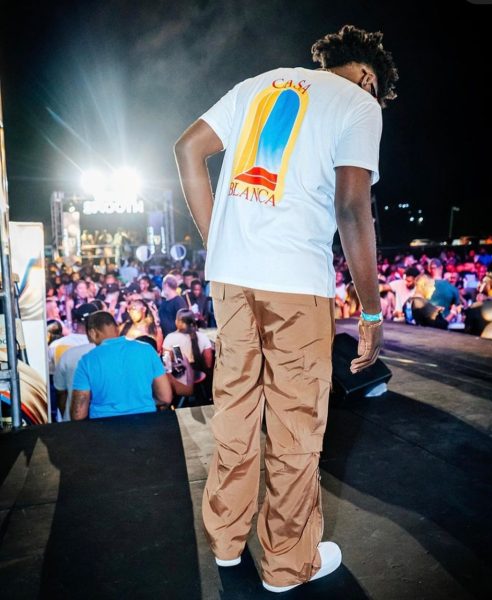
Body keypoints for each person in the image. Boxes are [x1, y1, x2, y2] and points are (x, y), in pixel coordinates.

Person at [174, 23, 397, 592]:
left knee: (235, 412)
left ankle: (227, 544)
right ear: (368, 77)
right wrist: (371, 312)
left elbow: (188, 150)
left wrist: (217, 241)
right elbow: (352, 209)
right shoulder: (359, 104)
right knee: (295, 426)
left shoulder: (260, 83)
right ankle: (287, 565)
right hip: (295, 283)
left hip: (231, 279)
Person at [70, 311, 172, 420]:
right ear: (117, 329)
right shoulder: (147, 350)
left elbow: (78, 413)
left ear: (92, 333)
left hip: (104, 426)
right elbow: (166, 397)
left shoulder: (87, 361)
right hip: (145, 422)